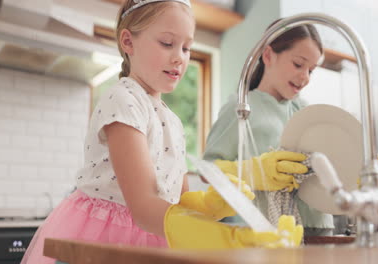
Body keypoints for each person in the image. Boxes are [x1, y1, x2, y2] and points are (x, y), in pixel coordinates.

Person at [21, 1, 302, 263]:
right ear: (128, 42)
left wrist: (208, 205)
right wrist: (225, 238)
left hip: (155, 235)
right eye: (168, 43)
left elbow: (176, 200)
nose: (180, 58)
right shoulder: (123, 100)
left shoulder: (173, 120)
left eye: (186, 48)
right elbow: (144, 208)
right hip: (108, 238)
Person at [203, 22, 335, 237]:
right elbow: (208, 170)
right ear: (268, 55)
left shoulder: (305, 110)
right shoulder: (241, 108)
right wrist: (254, 171)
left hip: (321, 226)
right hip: (267, 228)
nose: (306, 77)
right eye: (298, 64)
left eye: (311, 70)